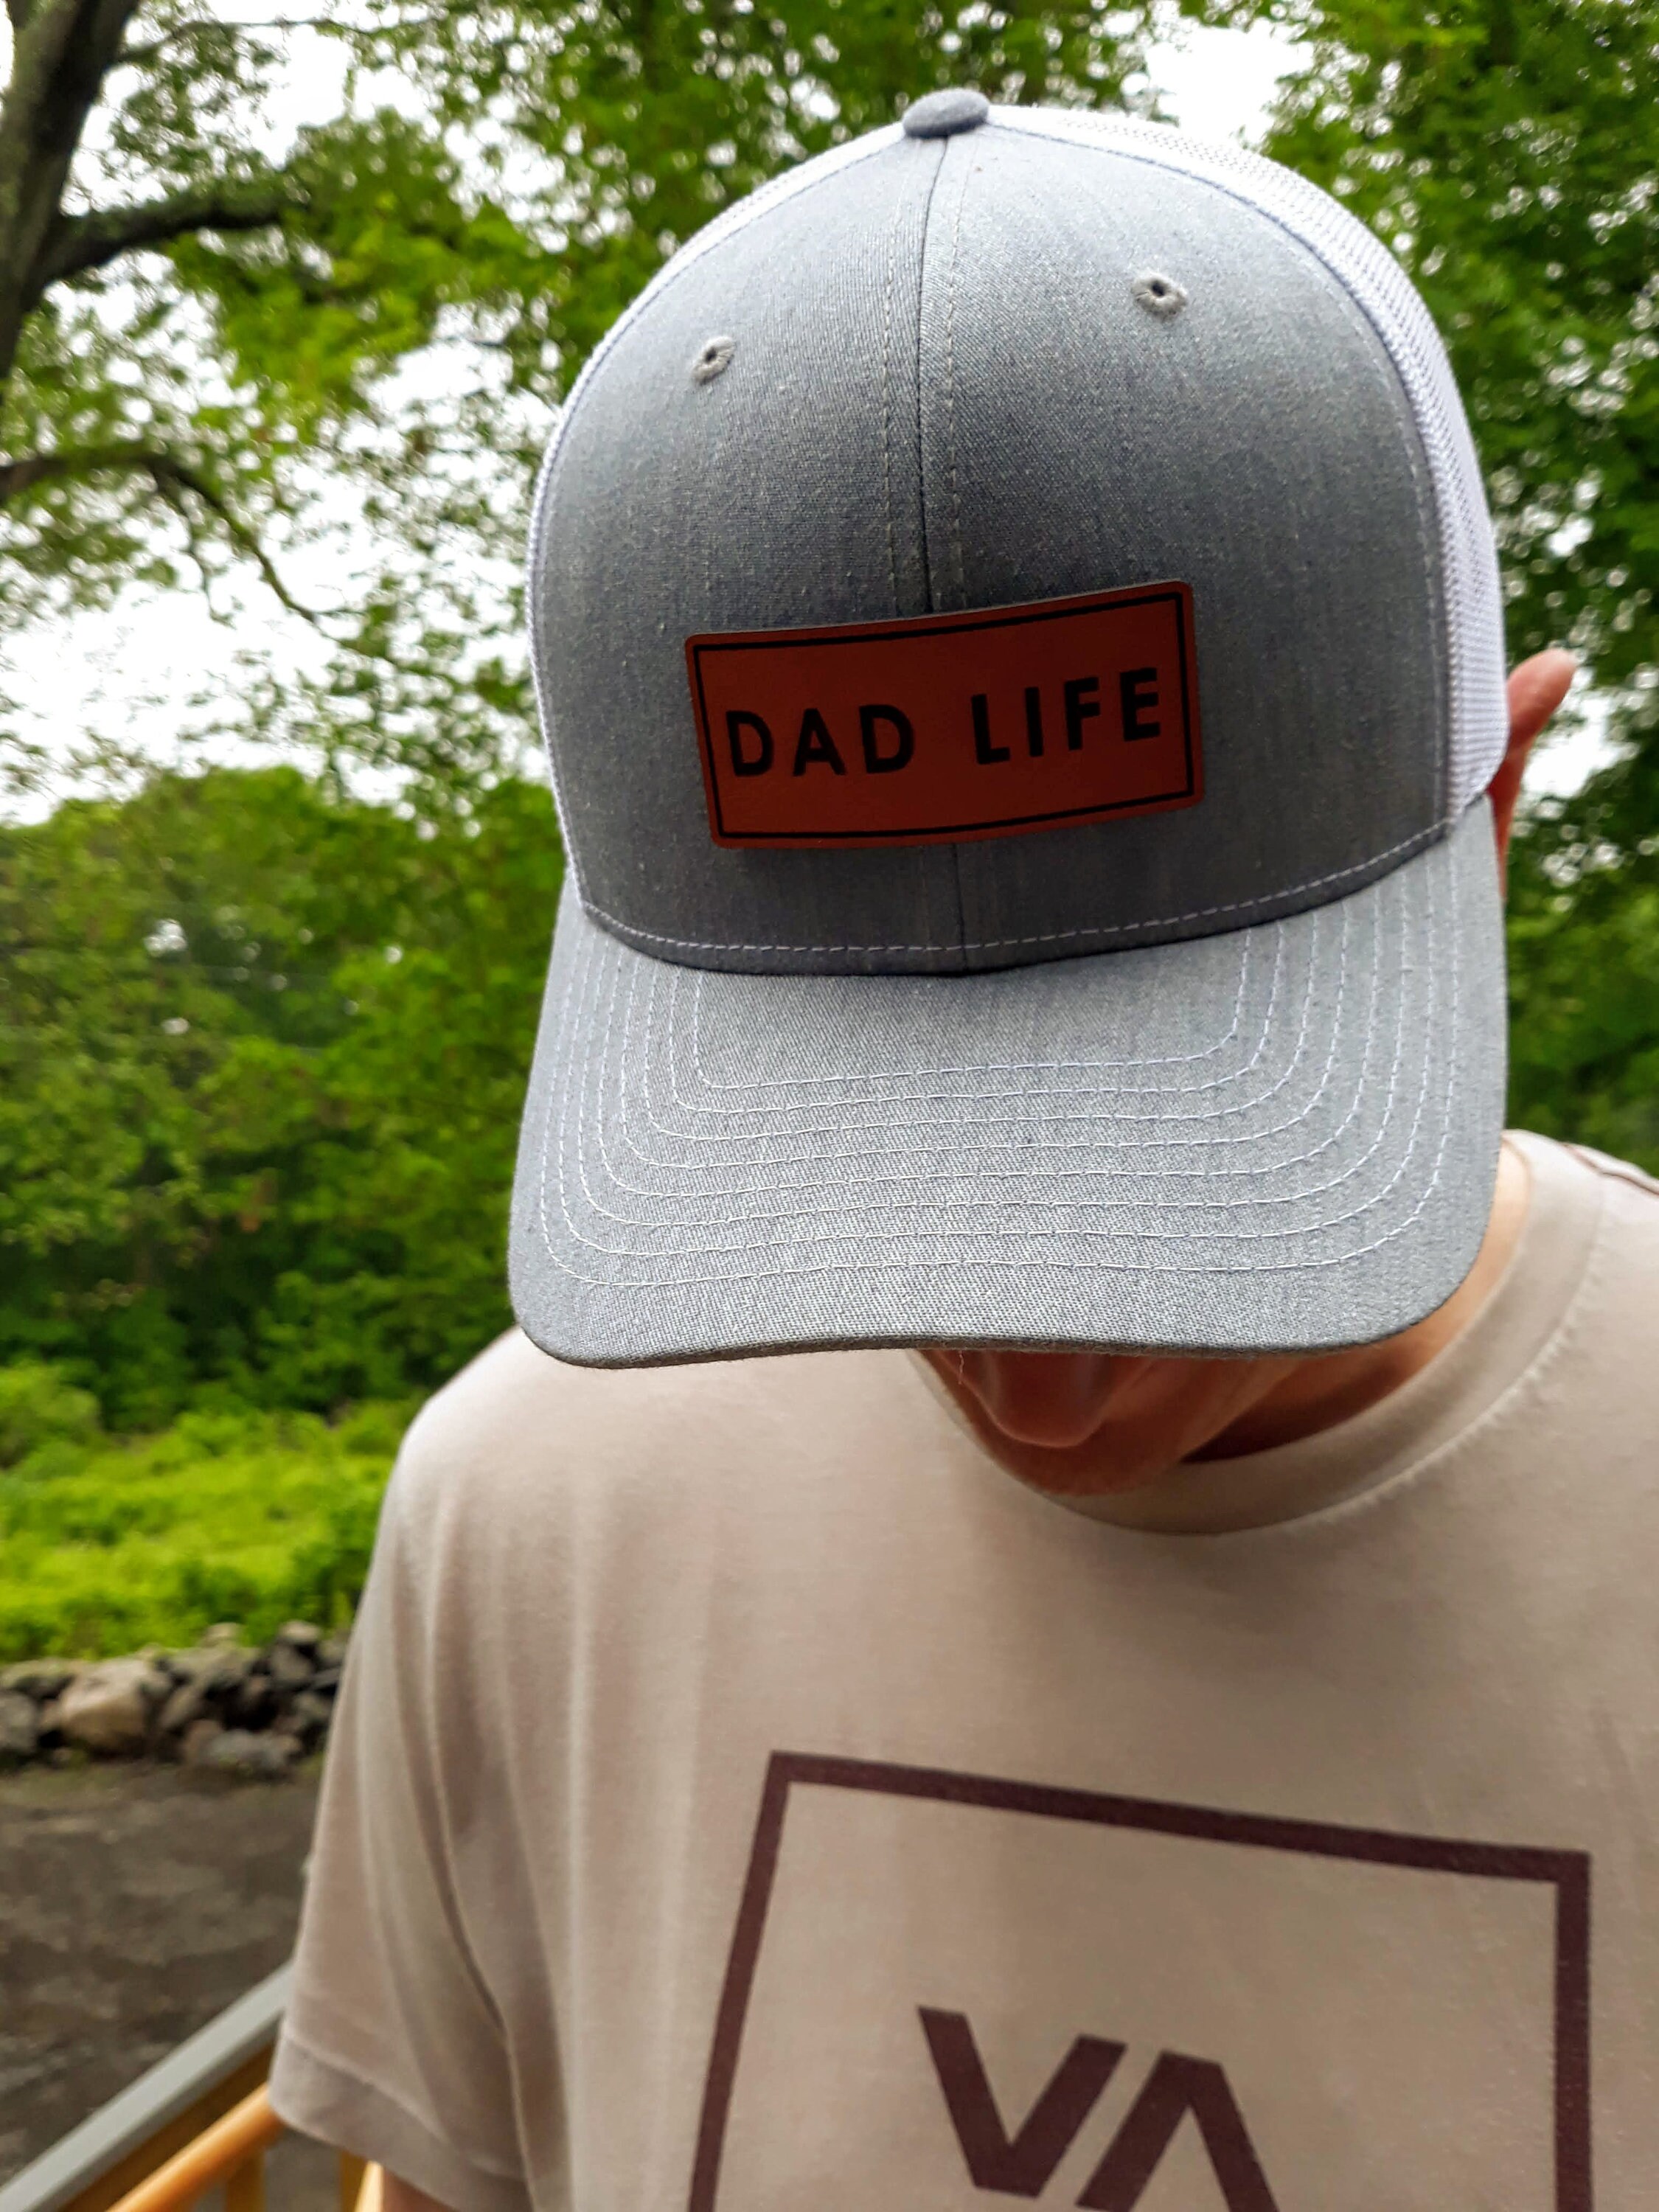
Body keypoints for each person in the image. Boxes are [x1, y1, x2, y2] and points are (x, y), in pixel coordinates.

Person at [271, 91, 1659, 2210]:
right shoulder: (520, 1515)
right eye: (857, 1140)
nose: (1034, 1388)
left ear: (1491, 805)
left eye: (1183, 1158)